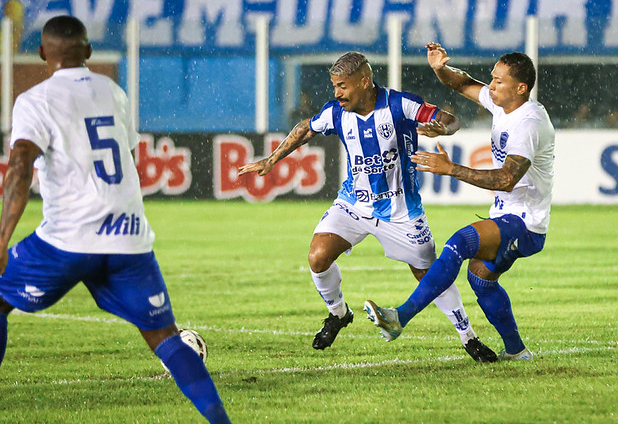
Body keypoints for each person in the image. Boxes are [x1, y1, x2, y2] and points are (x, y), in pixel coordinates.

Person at [0, 15, 249, 424]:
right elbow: (128, 158)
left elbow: (19, 166)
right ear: (89, 52)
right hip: (129, 237)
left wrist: (0, 243)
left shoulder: (36, 100)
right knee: (165, 337)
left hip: (68, 239)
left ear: (41, 53)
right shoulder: (113, 92)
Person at [238, 51, 497, 363]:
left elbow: (450, 120)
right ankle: (338, 313)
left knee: (429, 275)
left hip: (401, 211)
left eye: (342, 86)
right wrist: (272, 159)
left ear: (364, 82)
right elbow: (306, 128)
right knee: (318, 257)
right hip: (354, 205)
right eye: (335, 86)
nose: (337, 93)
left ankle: (468, 337)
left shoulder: (400, 104)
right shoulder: (336, 112)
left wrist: (442, 128)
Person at [365, 43, 555, 361]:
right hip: (508, 216)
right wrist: (441, 68)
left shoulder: (529, 124)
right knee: (480, 279)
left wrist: (451, 169)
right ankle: (517, 351)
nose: (491, 85)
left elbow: (506, 179)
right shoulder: (502, 104)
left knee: (461, 242)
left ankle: (400, 317)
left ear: (521, 88)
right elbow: (463, 82)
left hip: (526, 223)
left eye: (498, 81)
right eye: (492, 78)